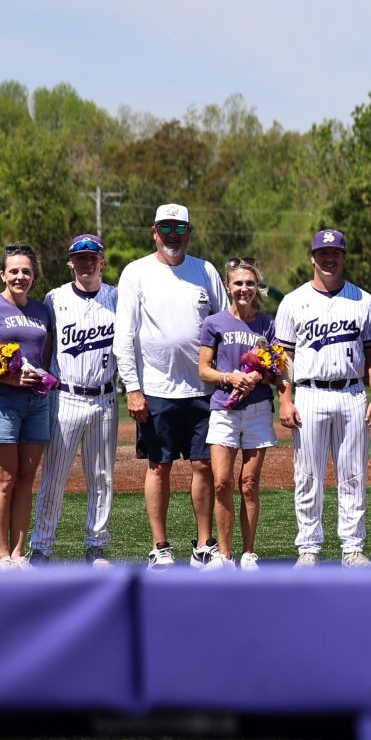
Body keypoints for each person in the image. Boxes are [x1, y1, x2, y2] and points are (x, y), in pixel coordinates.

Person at [115, 203, 226, 569]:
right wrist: (133, 388)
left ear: (189, 232)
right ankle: (159, 547)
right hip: (155, 390)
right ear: (154, 232)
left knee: (203, 465)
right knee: (158, 467)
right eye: (165, 228)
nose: (172, 235)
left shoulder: (206, 271)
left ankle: (204, 545)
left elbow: (224, 325)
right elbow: (124, 336)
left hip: (203, 389)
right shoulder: (136, 272)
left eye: (179, 228)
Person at [274, 229, 371, 568]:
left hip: (352, 392)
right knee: (308, 476)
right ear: (312, 257)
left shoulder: (363, 300)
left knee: (353, 474)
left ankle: (352, 548)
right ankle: (308, 548)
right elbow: (283, 357)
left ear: (344, 256)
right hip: (309, 393)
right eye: (323, 253)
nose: (329, 258)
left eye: (335, 252)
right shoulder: (293, 301)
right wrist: (285, 400)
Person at [28, 234, 118, 568]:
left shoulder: (117, 298)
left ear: (102, 261)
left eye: (92, 257)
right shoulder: (55, 298)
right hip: (65, 397)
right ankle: (41, 548)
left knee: (102, 478)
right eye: (80, 258)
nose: (86, 262)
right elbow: (45, 345)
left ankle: (96, 546)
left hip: (105, 398)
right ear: (71, 263)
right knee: (53, 478)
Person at [197, 258, 278, 569]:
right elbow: (204, 370)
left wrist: (257, 375)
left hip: (257, 411)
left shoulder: (267, 324)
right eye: (238, 283)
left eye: (250, 283)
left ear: (257, 287)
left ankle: (248, 553)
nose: (244, 288)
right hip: (224, 409)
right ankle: (224, 555)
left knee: (249, 483)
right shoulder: (214, 323)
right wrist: (229, 377)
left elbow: (275, 368)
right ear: (227, 286)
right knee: (221, 483)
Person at [0, 245, 53, 568]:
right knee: (5, 480)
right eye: (14, 271)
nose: (20, 276)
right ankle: (1, 554)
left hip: (38, 403)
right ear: (2, 275)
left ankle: (18, 554)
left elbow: (44, 356)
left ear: (34, 277)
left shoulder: (41, 311)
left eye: (26, 271)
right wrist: (8, 379)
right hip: (4, 402)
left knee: (25, 479)